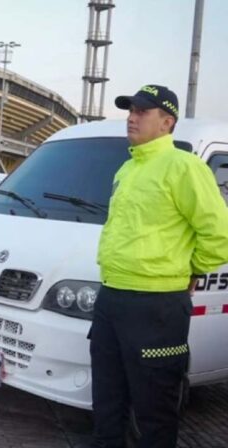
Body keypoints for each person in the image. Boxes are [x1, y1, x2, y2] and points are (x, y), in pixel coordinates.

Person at [91, 85, 228, 447]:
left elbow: (220, 234)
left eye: (142, 112)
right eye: (130, 111)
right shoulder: (127, 168)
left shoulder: (185, 167)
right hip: (112, 298)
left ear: (167, 122)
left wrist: (191, 271)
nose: (132, 118)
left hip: (156, 307)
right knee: (107, 399)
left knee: (155, 409)